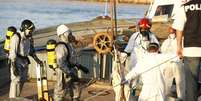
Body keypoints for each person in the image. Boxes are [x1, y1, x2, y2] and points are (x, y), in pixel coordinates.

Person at [172, 0, 201, 100]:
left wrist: (179, 46)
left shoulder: (185, 7)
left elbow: (179, 29)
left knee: (191, 83)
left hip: (191, 49)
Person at [9, 19, 43, 98]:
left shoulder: (30, 38)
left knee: (22, 80)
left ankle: (17, 97)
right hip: (16, 60)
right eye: (30, 30)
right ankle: (12, 99)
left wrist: (37, 60)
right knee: (16, 80)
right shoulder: (16, 37)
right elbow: (12, 53)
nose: (31, 32)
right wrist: (14, 67)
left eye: (32, 30)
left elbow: (31, 51)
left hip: (25, 61)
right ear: (24, 29)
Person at [54, 24, 81, 101]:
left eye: (70, 33)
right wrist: (69, 72)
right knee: (60, 91)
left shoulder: (69, 45)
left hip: (71, 70)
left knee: (75, 88)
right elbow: (61, 63)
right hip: (63, 72)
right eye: (68, 33)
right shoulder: (61, 47)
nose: (71, 35)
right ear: (63, 35)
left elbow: (72, 58)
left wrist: (80, 66)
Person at [161, 26, 185, 100]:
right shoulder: (165, 42)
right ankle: (165, 97)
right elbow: (162, 52)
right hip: (168, 64)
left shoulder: (181, 40)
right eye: (170, 30)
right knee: (166, 82)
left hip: (178, 63)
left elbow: (183, 50)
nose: (172, 31)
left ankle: (181, 98)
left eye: (173, 30)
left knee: (180, 82)